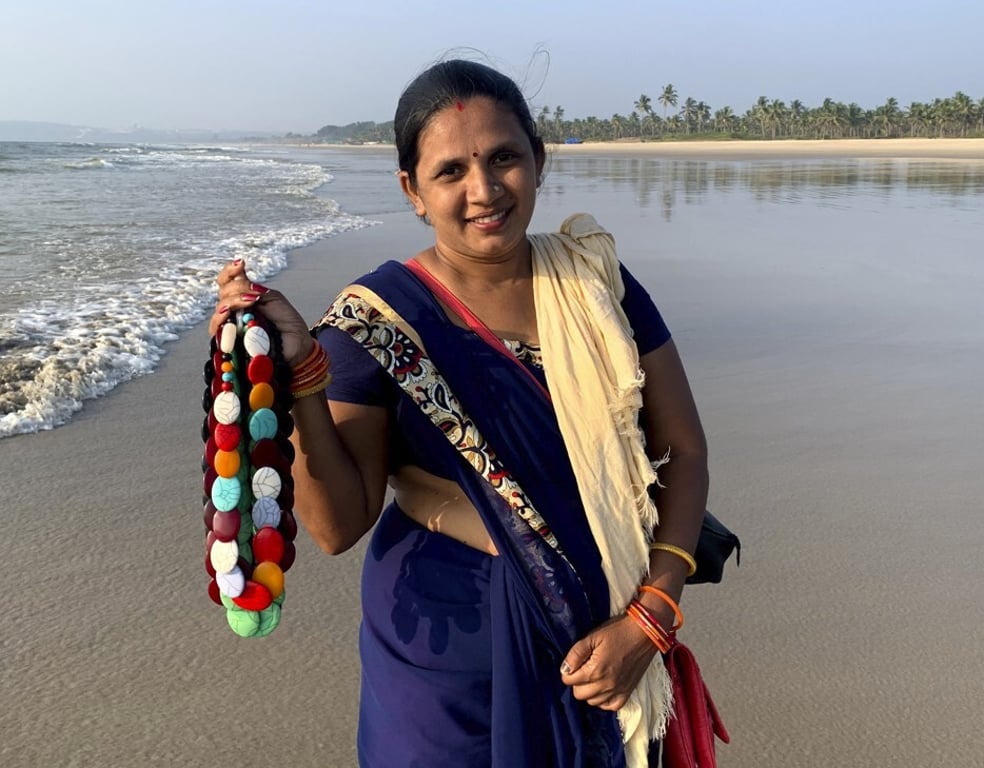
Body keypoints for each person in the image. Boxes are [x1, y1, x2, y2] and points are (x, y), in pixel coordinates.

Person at [210, 59, 708, 768]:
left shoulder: (597, 285)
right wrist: (303, 380)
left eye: (504, 157)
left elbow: (685, 451)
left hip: (612, 652)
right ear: (412, 190)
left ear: (537, 158)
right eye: (450, 172)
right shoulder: (378, 321)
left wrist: (653, 614)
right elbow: (336, 525)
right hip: (444, 673)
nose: (484, 190)